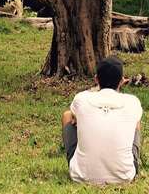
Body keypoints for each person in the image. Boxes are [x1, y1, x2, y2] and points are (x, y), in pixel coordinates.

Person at [61, 56, 143, 184]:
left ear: (96, 79)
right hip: (124, 176)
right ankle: (133, 161)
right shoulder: (132, 102)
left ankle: (80, 163)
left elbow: (72, 117)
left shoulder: (81, 98)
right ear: (122, 81)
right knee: (136, 120)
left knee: (67, 115)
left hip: (81, 176)